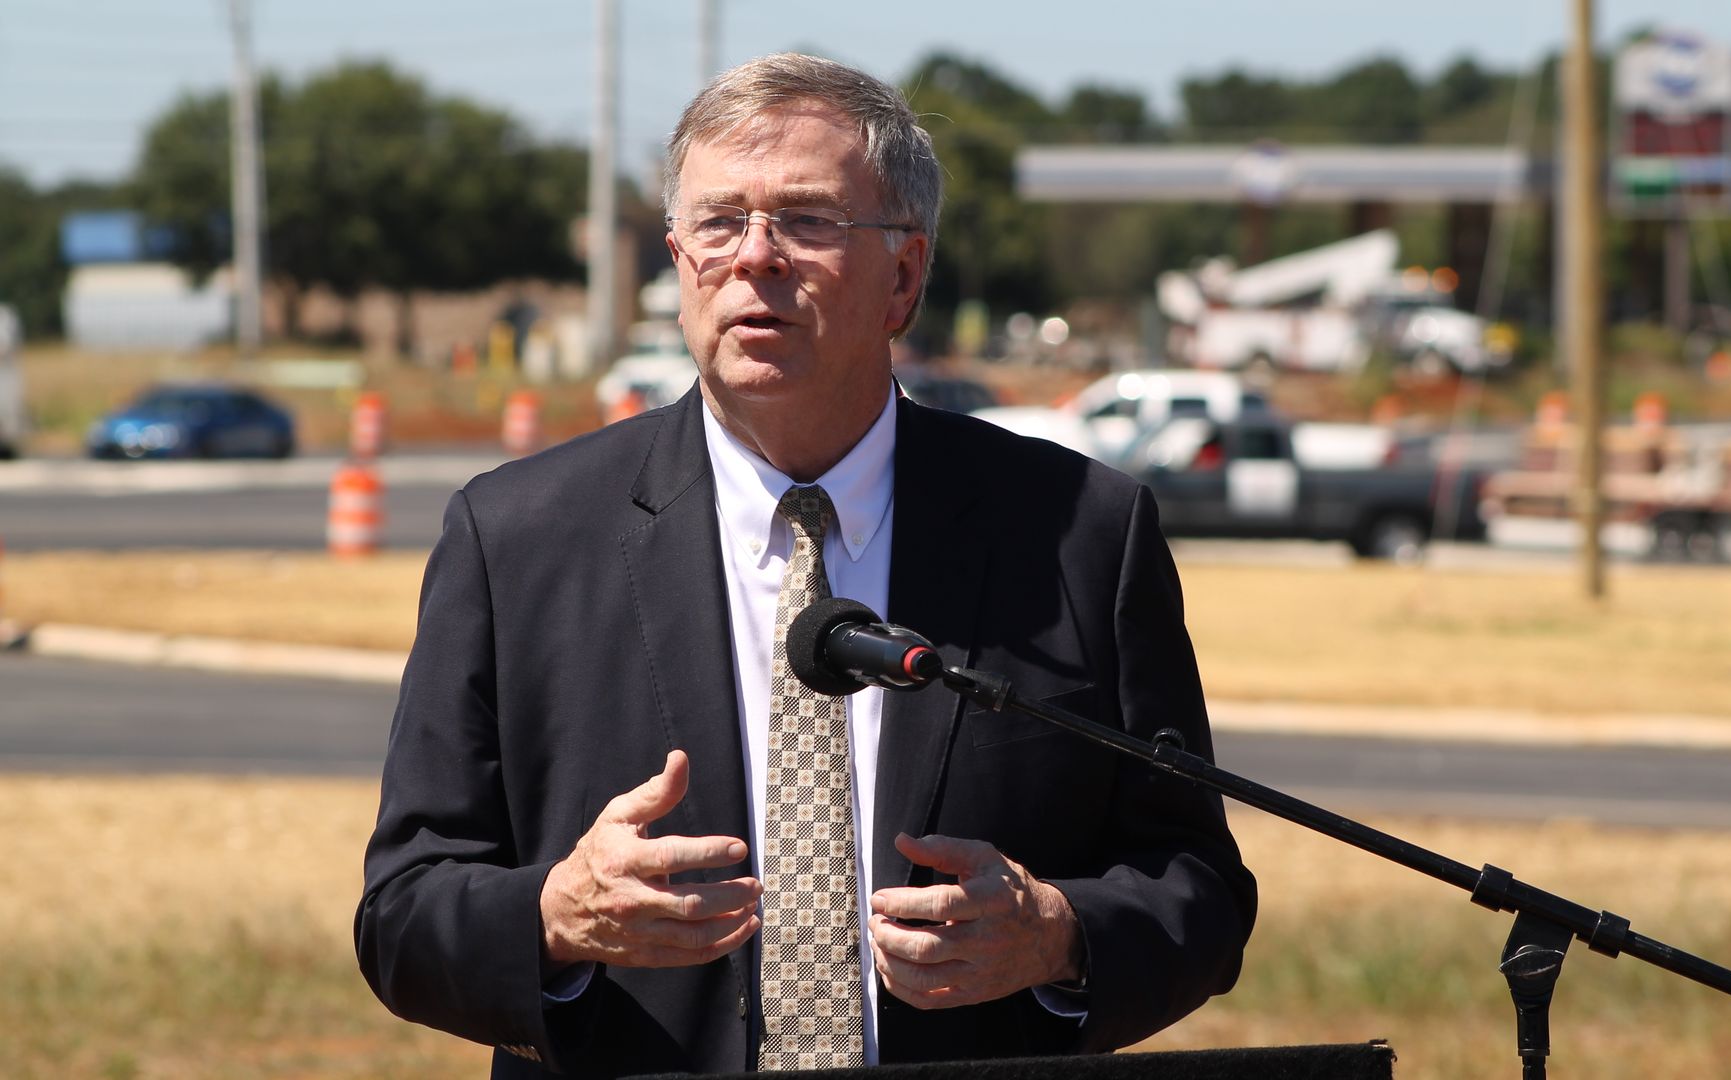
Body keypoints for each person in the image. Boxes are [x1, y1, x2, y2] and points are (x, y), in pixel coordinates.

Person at [356, 52, 1255, 1077]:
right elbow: (403, 913)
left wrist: (1055, 934)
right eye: (718, 223)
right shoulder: (515, 536)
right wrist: (557, 917)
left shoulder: (1079, 532)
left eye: (809, 221)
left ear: (905, 277)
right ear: (675, 261)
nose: (755, 258)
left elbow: (1199, 889)